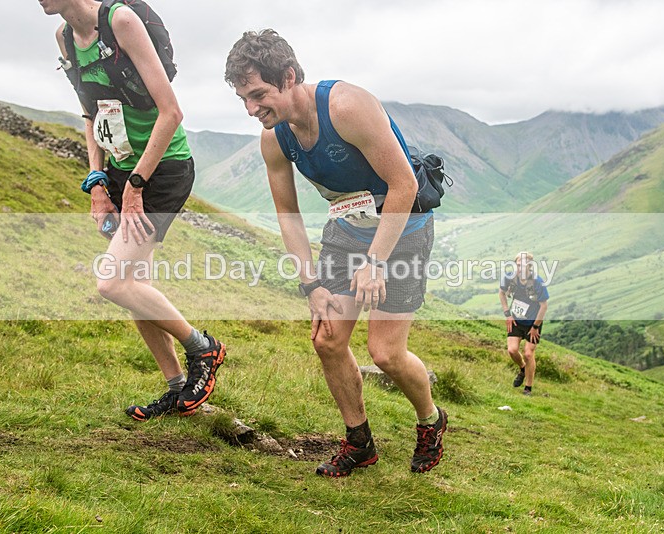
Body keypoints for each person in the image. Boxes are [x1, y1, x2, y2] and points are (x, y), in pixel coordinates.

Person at [225, 29, 447, 477]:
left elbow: (403, 186)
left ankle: (431, 419)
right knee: (327, 339)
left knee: (385, 353)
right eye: (243, 99)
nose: (252, 109)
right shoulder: (275, 139)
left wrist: (376, 263)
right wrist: (311, 283)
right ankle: (359, 443)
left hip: (402, 228)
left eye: (258, 95)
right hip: (347, 229)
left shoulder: (347, 107)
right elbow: (287, 214)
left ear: (288, 77)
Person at [40, 0, 225, 420]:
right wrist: (97, 182)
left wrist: (137, 186)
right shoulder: (65, 37)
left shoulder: (120, 20)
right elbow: (92, 115)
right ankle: (179, 390)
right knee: (133, 283)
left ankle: (203, 348)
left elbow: (172, 112)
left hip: (162, 170)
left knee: (112, 283)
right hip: (121, 171)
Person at [499, 252, 549, 396]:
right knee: (512, 350)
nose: (521, 268)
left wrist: (535, 327)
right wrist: (507, 314)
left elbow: (544, 306)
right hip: (516, 318)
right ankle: (522, 368)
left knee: (528, 353)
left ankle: (528, 387)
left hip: (533, 321)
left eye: (524, 265)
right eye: (518, 264)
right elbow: (501, 293)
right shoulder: (510, 277)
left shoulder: (537, 282)